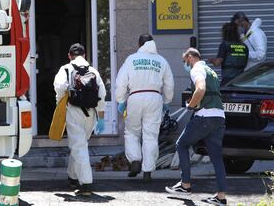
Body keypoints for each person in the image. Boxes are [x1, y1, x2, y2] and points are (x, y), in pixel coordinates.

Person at [166, 48, 227, 206]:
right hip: (219, 117)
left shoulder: (197, 69)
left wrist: (191, 105)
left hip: (204, 117)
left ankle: (185, 185)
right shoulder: (210, 71)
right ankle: (221, 197)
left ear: (190, 57)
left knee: (181, 144)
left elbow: (200, 89)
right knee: (216, 158)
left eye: (184, 61)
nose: (185, 64)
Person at [115, 34, 174, 180]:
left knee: (132, 132)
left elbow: (121, 82)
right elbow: (169, 84)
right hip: (155, 98)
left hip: (135, 96)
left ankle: (135, 160)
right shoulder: (161, 61)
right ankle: (147, 171)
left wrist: (121, 100)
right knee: (150, 135)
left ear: (139, 44)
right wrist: (166, 101)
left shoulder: (131, 59)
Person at [53, 43, 106, 196]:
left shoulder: (66, 69)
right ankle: (73, 177)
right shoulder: (93, 70)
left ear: (70, 56)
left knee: (79, 147)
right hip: (91, 114)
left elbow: (60, 87)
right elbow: (101, 95)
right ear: (84, 55)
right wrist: (101, 118)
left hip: (73, 111)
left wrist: (60, 107)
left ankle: (86, 184)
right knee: (80, 145)